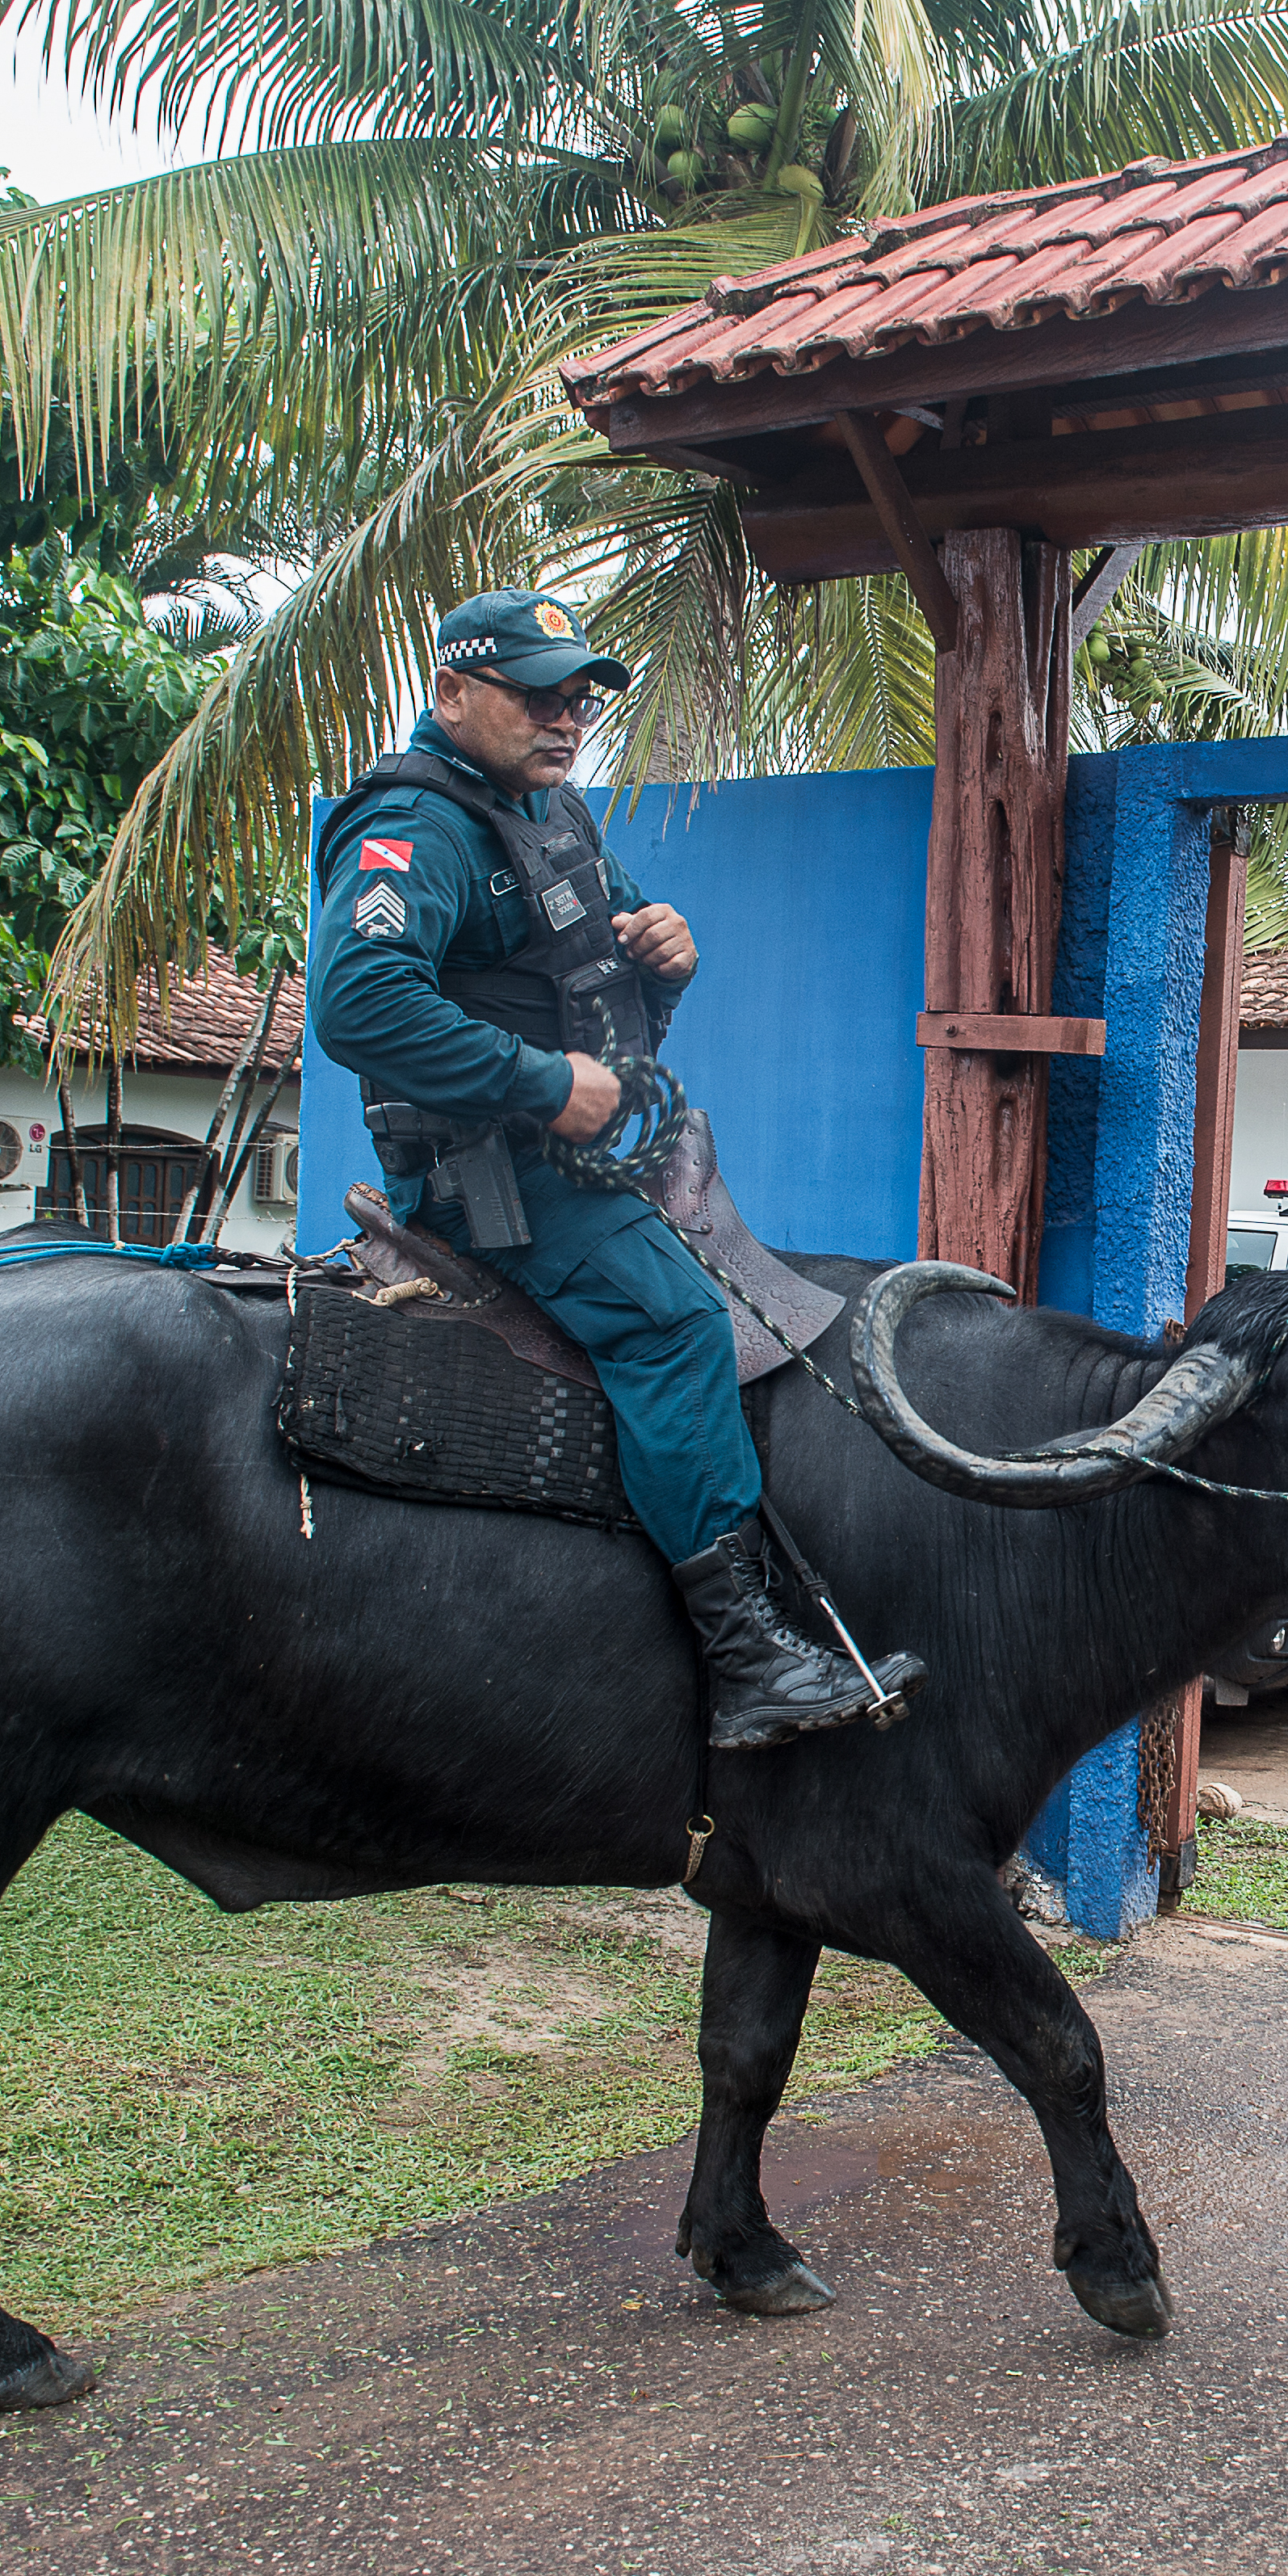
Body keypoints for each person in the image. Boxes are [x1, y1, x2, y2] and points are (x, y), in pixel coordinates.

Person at [308, 591, 913, 1750]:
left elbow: (608, 968)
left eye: (578, 696)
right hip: (500, 1179)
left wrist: (670, 958)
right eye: (538, 693)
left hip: (591, 1156)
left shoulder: (555, 816)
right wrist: (545, 1085)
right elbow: (359, 1001)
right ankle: (744, 1659)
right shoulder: (416, 828)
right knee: (679, 1324)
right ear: (452, 694)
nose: (565, 715)